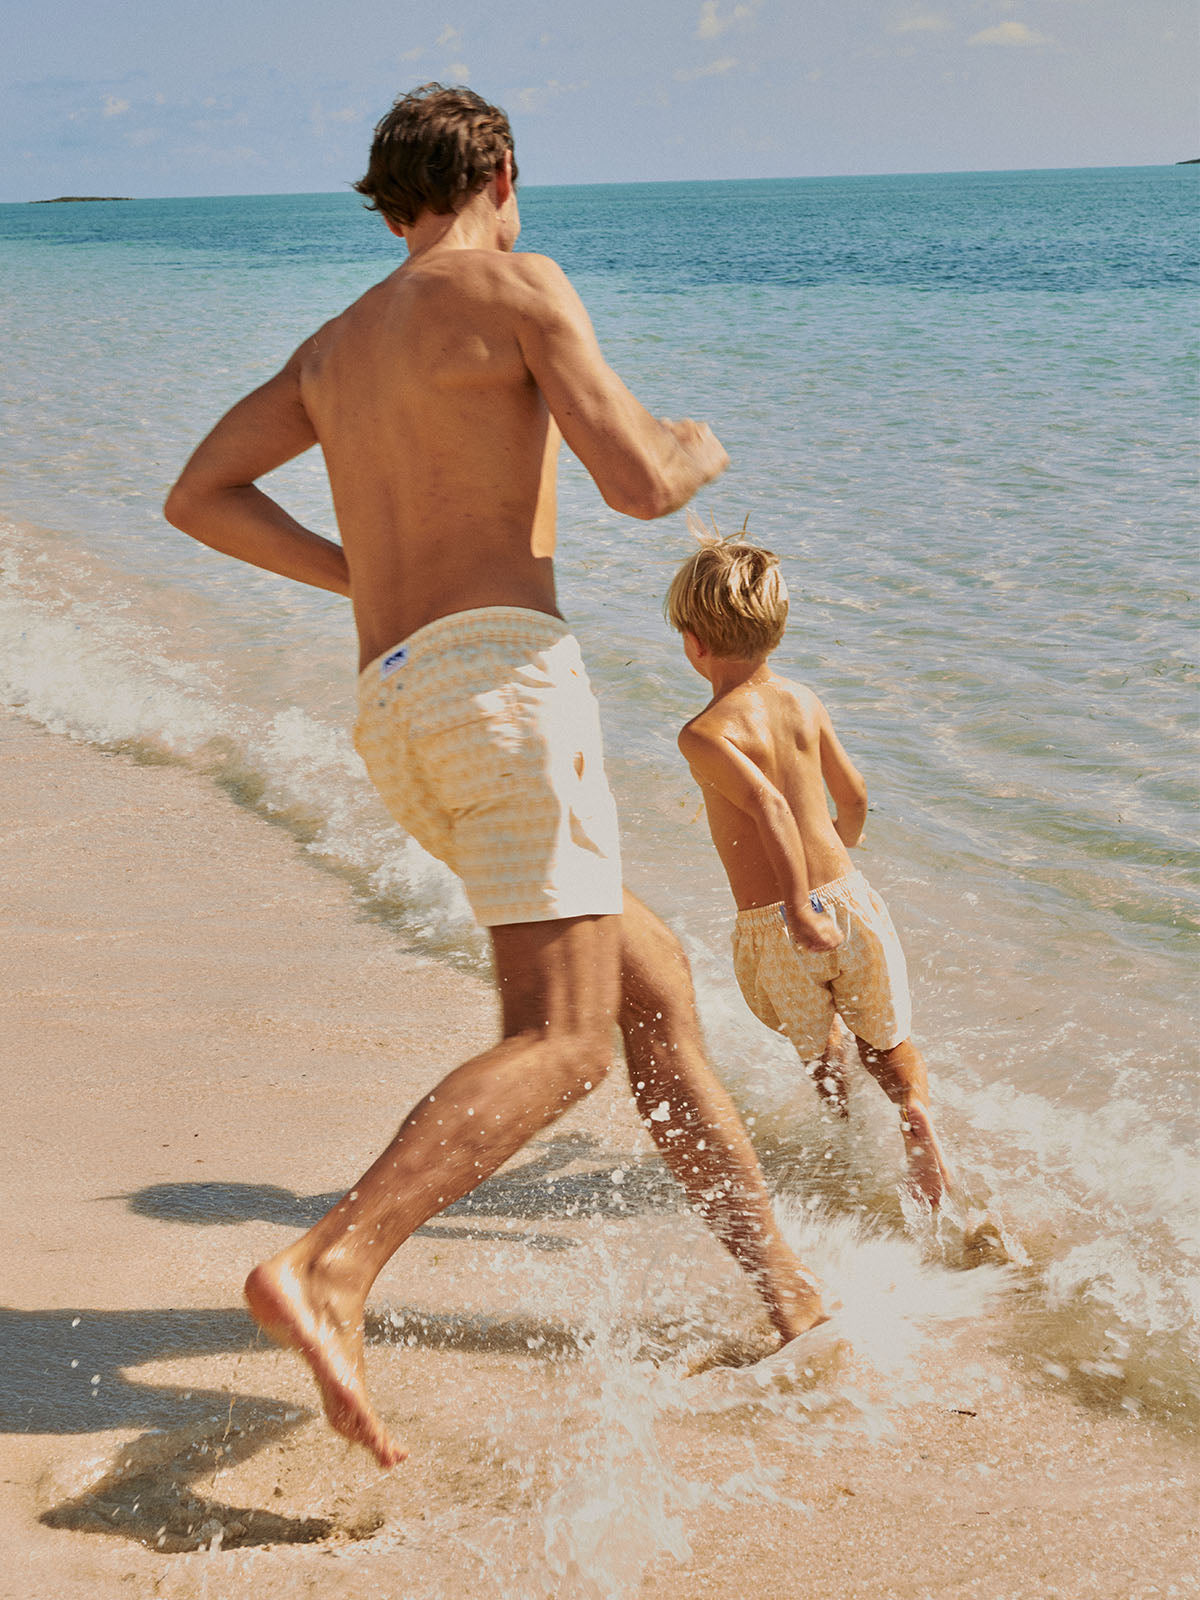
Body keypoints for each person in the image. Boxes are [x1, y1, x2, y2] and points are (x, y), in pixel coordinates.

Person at [164, 84, 830, 1470]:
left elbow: (199, 493)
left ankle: (793, 1305)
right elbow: (641, 485)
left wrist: (366, 576)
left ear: (389, 199)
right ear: (503, 175)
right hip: (504, 692)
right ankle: (332, 1266)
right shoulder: (518, 283)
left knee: (650, 995)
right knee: (566, 1039)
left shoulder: (334, 347)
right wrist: (699, 445)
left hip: (399, 703)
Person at [665, 521, 953, 1211]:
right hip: (851, 903)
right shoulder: (802, 699)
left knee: (821, 1047)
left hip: (779, 925)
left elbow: (766, 805)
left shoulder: (704, 734)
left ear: (694, 645)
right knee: (887, 1038)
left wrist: (797, 904)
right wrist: (835, 867)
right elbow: (852, 797)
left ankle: (845, 1134)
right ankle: (915, 1114)